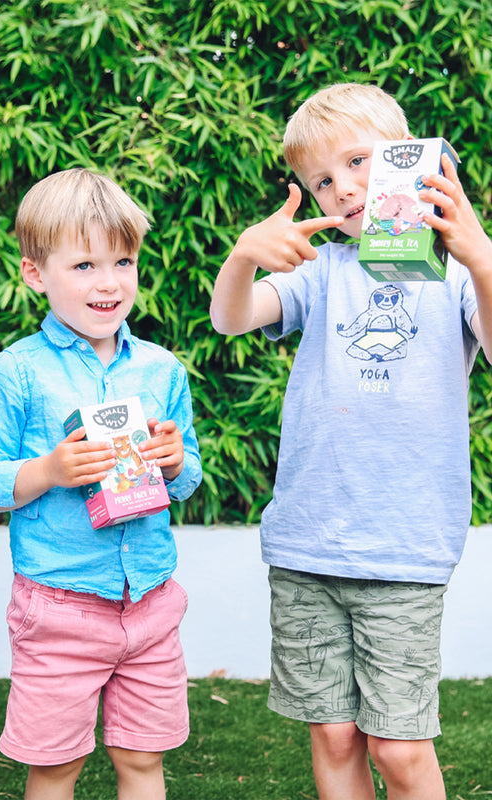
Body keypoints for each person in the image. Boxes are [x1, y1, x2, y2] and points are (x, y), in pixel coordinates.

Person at [210, 82, 492, 800]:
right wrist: (243, 257)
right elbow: (231, 318)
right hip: (308, 542)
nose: (341, 188)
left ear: (412, 156)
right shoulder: (320, 270)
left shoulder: (459, 272)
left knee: (399, 750)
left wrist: (483, 259)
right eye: (321, 180)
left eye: (359, 161)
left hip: (404, 548)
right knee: (334, 737)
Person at [0, 168, 202, 800]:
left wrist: (174, 462)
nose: (109, 282)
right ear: (34, 273)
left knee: (143, 760)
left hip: (150, 600)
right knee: (55, 767)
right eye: (85, 265)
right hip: (58, 607)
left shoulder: (161, 370)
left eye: (123, 261)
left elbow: (188, 480)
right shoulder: (15, 372)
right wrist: (49, 470)